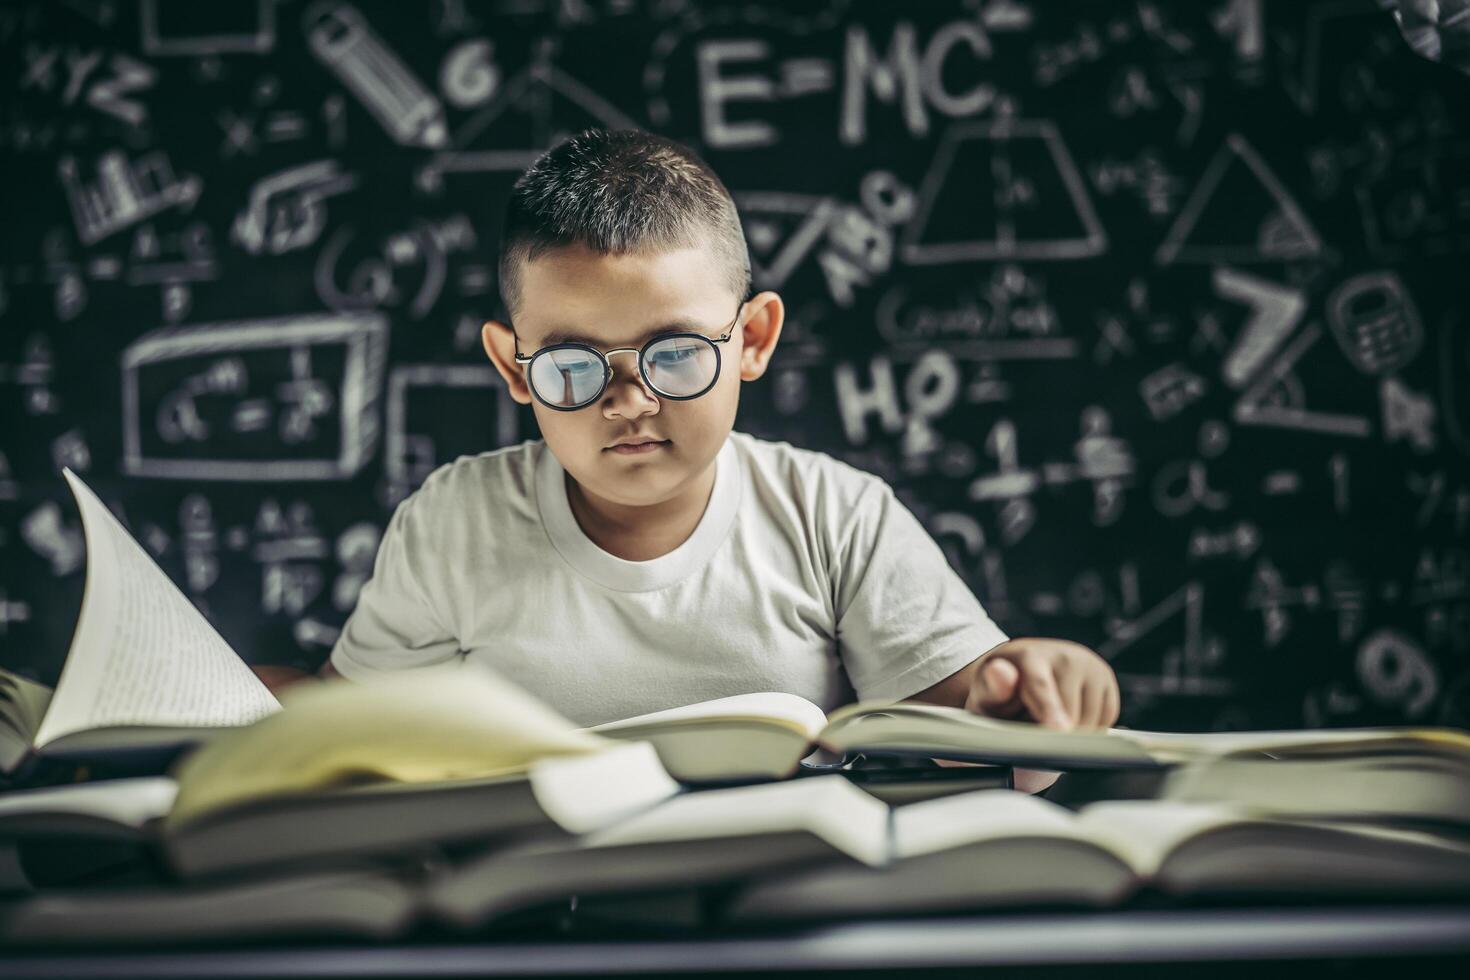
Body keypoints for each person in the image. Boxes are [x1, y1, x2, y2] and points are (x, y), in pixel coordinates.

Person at [254, 128, 1119, 790]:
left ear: (752, 338)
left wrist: (1036, 692)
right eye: (570, 366)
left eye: (673, 353)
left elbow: (976, 737)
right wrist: (211, 696)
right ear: (514, 368)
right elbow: (338, 723)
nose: (627, 402)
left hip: (780, 921)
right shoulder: (453, 524)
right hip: (528, 922)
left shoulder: (834, 515)